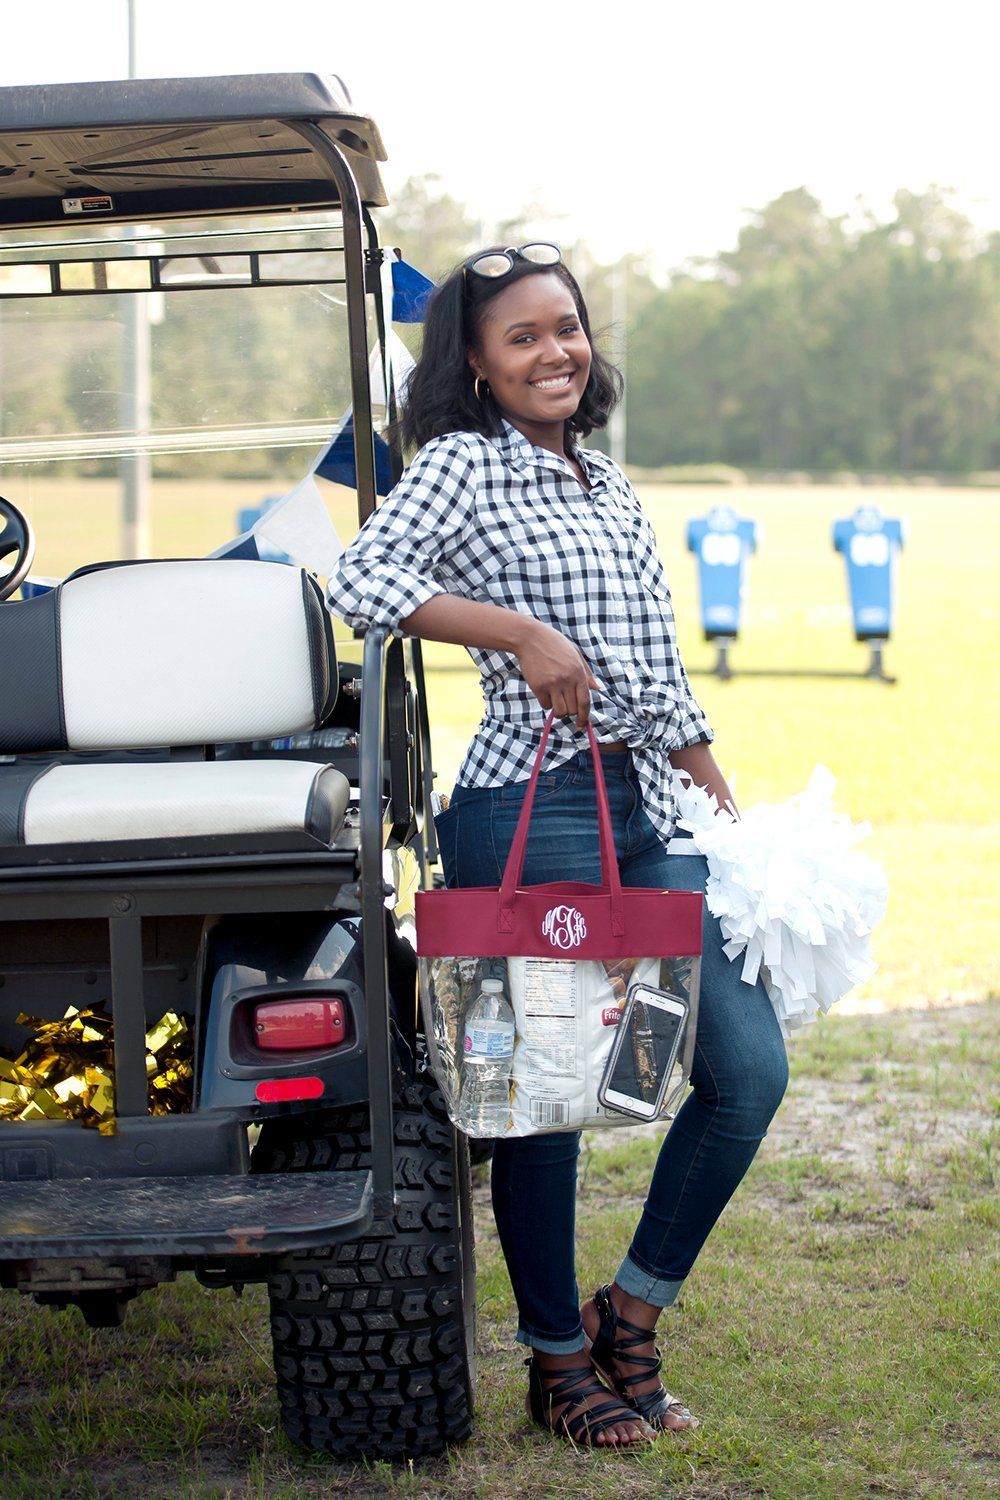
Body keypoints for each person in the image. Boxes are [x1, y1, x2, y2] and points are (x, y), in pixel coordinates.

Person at [326, 243, 789, 1449]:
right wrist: (514, 631)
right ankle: (555, 1360)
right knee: (545, 1097)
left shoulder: (607, 484)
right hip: (530, 806)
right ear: (476, 364)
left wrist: (729, 825)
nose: (555, 352)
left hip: (654, 810)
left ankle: (629, 1313)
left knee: (744, 1070)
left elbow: (667, 683)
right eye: (522, 336)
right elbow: (361, 576)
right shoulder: (465, 466)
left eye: (567, 329)